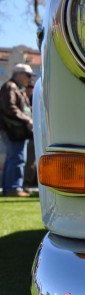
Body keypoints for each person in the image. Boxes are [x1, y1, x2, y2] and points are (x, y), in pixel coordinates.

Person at [0, 63, 35, 197]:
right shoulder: (10, 87)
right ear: (18, 74)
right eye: (27, 75)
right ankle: (14, 188)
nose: (29, 79)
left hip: (16, 131)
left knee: (14, 158)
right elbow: (10, 108)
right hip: (13, 131)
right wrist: (28, 120)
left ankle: (10, 188)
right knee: (17, 159)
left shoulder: (17, 88)